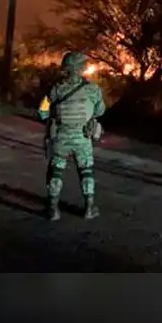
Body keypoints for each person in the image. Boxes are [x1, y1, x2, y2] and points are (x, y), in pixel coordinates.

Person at [37, 51, 106, 221]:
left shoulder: (56, 89)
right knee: (86, 171)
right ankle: (89, 208)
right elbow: (100, 110)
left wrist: (50, 119)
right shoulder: (93, 89)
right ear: (80, 68)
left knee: (56, 171)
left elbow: (42, 110)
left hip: (61, 137)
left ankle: (53, 210)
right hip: (83, 138)